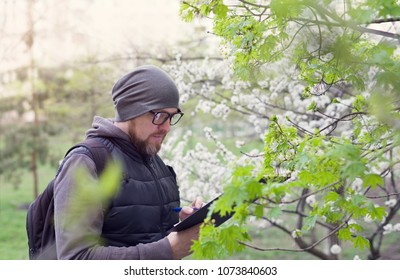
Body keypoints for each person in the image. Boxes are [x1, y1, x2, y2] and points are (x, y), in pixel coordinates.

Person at [53, 65, 203, 259]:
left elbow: (146, 237)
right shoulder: (86, 162)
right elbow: (75, 258)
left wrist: (181, 228)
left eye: (172, 117)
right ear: (131, 110)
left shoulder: (154, 162)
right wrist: (169, 249)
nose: (166, 127)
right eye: (159, 116)